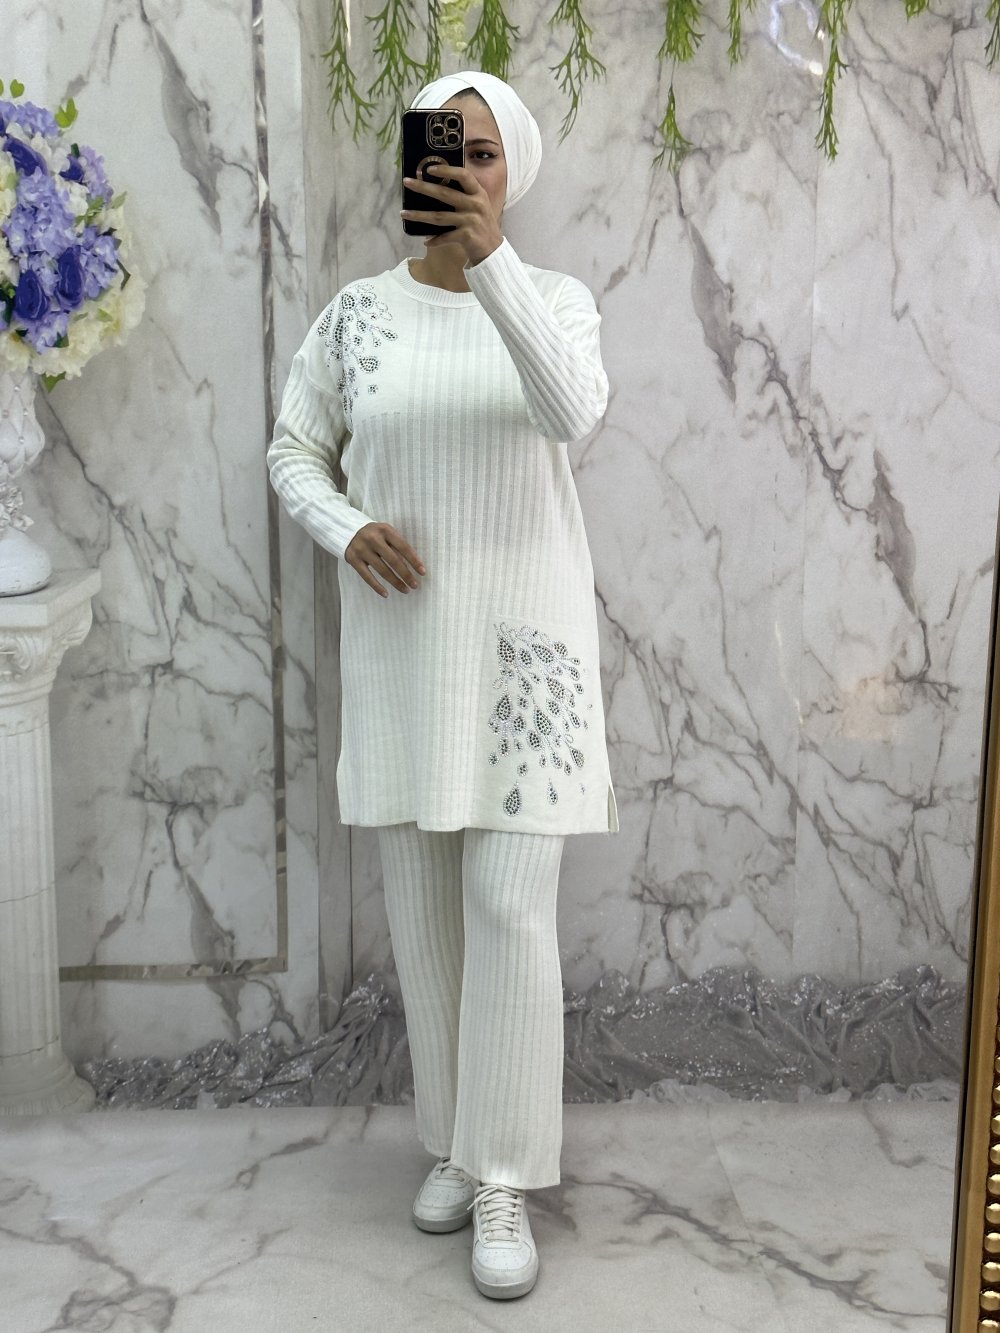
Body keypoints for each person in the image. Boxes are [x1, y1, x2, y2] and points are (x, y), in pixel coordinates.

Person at [266, 68, 619, 1302]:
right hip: (407, 648)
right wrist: (344, 525)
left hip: (528, 661)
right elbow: (294, 449)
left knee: (507, 910)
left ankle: (506, 1175)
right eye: (441, 147)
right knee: (425, 919)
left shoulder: (555, 301)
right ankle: (457, 1149)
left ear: (511, 169)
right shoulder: (354, 316)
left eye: (482, 152)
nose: (460, 168)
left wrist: (491, 264)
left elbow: (569, 412)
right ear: (409, 160)